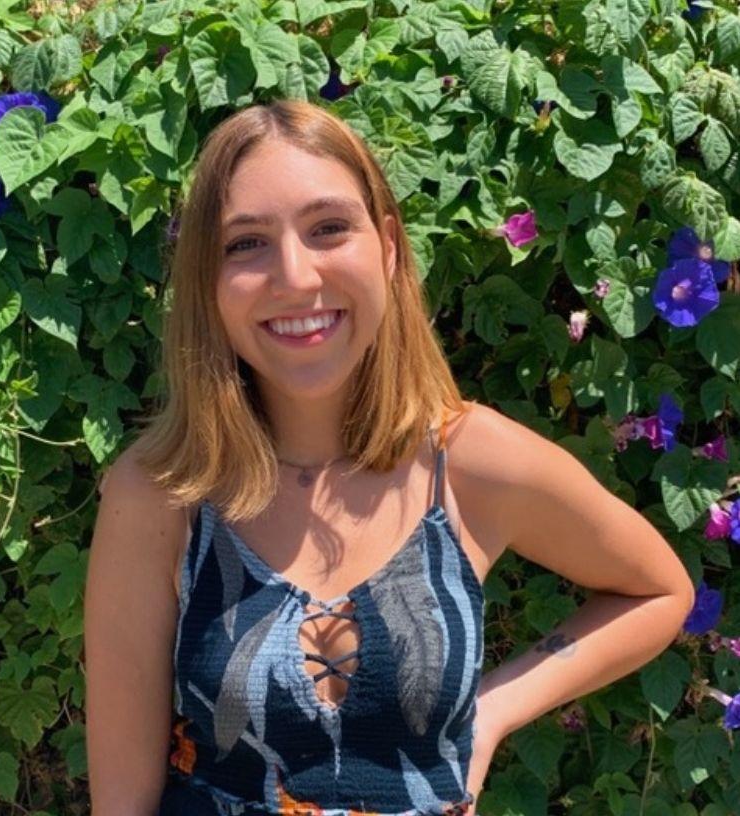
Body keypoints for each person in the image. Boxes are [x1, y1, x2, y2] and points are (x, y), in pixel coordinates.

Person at [84, 99, 695, 816]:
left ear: (390, 248)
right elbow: (121, 804)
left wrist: (493, 712)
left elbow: (658, 592)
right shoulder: (162, 492)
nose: (295, 276)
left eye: (328, 228)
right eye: (246, 244)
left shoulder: (469, 463)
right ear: (207, 284)